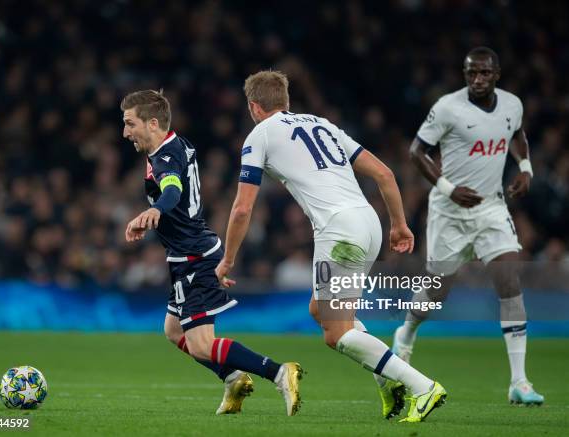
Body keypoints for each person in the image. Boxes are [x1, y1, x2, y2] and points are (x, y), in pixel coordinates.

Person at [215, 71, 446, 422]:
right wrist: (398, 224)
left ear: (254, 107)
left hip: (338, 230)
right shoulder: (323, 125)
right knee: (321, 310)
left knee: (335, 331)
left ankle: (421, 386)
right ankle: (387, 382)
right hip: (368, 223)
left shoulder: (258, 135)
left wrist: (228, 258)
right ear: (286, 102)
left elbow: (243, 207)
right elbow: (384, 173)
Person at [121, 89, 303, 416]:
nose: (125, 132)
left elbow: (173, 189)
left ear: (152, 123)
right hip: (188, 254)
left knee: (202, 344)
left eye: (130, 123)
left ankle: (278, 372)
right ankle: (233, 378)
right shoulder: (176, 143)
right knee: (174, 331)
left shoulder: (165, 157)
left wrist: (154, 212)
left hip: (195, 257)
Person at [391, 47, 544, 405]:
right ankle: (407, 332)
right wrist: (448, 188)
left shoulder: (512, 104)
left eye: (484, 74)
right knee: (438, 292)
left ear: (497, 75)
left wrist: (525, 168)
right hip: (449, 212)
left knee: (509, 278)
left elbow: (517, 134)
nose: (477, 80)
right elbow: (416, 152)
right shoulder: (447, 108)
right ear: (464, 74)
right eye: (471, 73)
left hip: (491, 207)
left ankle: (519, 382)